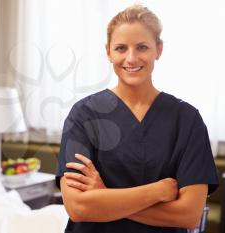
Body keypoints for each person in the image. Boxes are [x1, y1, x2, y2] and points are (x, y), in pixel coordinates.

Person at [56, 4, 219, 233]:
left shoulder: (187, 119)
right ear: (108, 52)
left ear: (158, 50)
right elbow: (78, 207)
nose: (131, 58)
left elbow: (189, 214)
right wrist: (156, 192)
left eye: (142, 47)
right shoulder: (84, 115)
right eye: (121, 48)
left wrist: (104, 197)